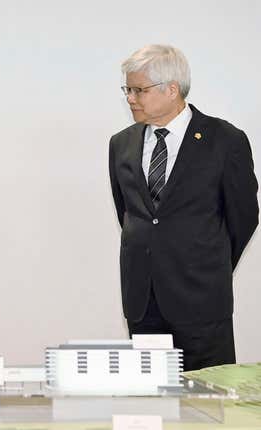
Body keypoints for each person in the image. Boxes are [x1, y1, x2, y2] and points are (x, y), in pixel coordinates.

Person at [108, 44, 258, 371]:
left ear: (171, 89)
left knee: (208, 404)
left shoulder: (225, 140)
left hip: (202, 300)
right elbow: (131, 215)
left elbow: (244, 216)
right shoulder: (121, 143)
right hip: (143, 302)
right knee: (152, 403)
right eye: (127, 89)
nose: (130, 98)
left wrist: (208, 262)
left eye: (138, 90)